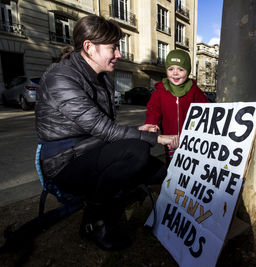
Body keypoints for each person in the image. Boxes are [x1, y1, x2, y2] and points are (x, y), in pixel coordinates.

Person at [35, 15, 178, 251]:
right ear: (89, 47)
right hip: (63, 161)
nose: (119, 54)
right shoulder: (60, 78)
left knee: (159, 172)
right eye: (113, 48)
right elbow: (102, 128)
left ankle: (116, 192)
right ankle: (94, 221)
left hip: (92, 147)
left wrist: (136, 131)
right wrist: (156, 138)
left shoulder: (101, 77)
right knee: (137, 152)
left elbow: (103, 127)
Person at [139, 49, 209, 164]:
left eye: (180, 69)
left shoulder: (194, 90)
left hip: (191, 139)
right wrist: (152, 123)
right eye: (171, 69)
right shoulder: (160, 90)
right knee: (172, 165)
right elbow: (153, 110)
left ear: (188, 71)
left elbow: (206, 109)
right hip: (170, 139)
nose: (175, 73)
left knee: (191, 165)